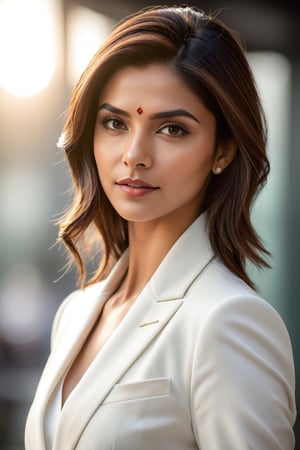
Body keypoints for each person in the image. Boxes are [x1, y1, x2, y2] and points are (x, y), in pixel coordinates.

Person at [25, 5, 296, 449]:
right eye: (115, 123)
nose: (134, 154)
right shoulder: (75, 313)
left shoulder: (227, 321)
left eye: (171, 129)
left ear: (222, 150)